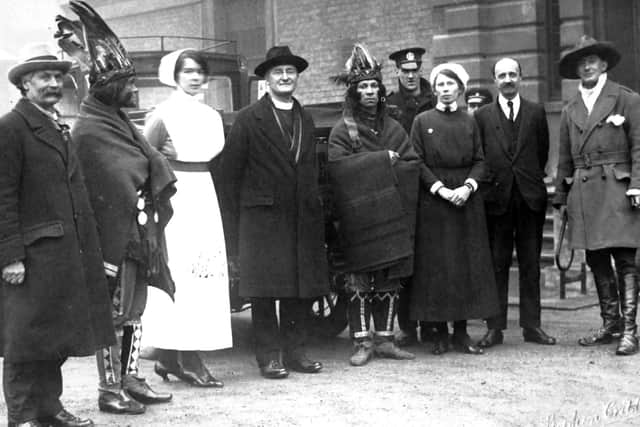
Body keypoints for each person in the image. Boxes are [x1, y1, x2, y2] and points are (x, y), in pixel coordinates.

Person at [57, 1, 175, 414]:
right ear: (107, 86)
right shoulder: (89, 130)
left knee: (135, 309)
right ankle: (109, 390)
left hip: (136, 231)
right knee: (114, 313)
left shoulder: (120, 121)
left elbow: (148, 167)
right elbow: (100, 189)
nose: (134, 88)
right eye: (127, 83)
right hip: (112, 238)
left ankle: (130, 377)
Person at [0, 43, 115, 427]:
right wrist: (10, 255)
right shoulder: (11, 128)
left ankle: (50, 408)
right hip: (31, 255)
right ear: (24, 85)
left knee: (53, 336)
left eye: (56, 77)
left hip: (65, 253)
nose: (53, 83)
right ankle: (22, 417)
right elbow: (2, 197)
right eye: (43, 78)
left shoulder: (56, 125)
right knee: (24, 341)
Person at [218, 46, 329, 379]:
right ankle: (268, 356)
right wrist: (235, 226)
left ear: (297, 78)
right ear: (266, 79)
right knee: (264, 292)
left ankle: (296, 353)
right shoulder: (249, 119)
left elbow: (309, 169)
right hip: (262, 219)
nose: (285, 77)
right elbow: (229, 175)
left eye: (290, 72)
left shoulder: (304, 117)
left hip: (300, 218)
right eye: (278, 72)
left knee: (298, 288)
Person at [141, 48, 232, 387]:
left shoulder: (211, 115)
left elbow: (214, 152)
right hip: (174, 196)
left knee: (204, 271)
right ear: (174, 75)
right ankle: (187, 358)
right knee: (179, 273)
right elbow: (143, 158)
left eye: (199, 71)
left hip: (203, 192)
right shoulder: (162, 114)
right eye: (188, 71)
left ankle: (170, 358)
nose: (194, 77)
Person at [327, 43, 419, 366]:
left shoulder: (393, 127)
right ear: (353, 92)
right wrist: (382, 161)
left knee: (389, 280)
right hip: (359, 220)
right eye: (362, 86)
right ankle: (362, 343)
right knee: (359, 282)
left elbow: (410, 162)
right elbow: (338, 168)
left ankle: (385, 340)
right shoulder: (343, 130)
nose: (368, 92)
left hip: (391, 219)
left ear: (381, 91)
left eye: (373, 86)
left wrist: (393, 163)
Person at [554, 36, 640, 356]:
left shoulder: (626, 99)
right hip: (584, 190)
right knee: (596, 258)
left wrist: (637, 185)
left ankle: (630, 331)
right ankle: (611, 324)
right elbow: (564, 157)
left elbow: (639, 146)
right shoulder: (570, 109)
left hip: (618, 187)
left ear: (604, 64)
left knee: (626, 260)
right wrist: (560, 197)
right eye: (581, 62)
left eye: (592, 60)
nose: (587, 65)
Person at [409, 63, 499, 356]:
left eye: (451, 85)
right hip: (435, 202)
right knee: (437, 267)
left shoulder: (469, 120)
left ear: (460, 89)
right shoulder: (422, 121)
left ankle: (461, 333)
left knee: (464, 266)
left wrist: (468, 187)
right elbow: (417, 161)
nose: (446, 90)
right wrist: (441, 190)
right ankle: (438, 333)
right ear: (434, 89)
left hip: (465, 201)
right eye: (441, 85)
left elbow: (480, 159)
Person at [474, 58, 556, 348]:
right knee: (497, 264)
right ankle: (495, 328)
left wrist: (528, 180)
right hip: (496, 200)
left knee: (530, 263)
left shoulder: (535, 112)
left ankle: (532, 326)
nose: (507, 80)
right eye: (501, 75)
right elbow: (480, 156)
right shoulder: (482, 115)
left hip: (529, 199)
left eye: (512, 74)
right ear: (494, 80)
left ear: (521, 77)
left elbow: (542, 152)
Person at [385, 47, 436, 347]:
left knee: (430, 258)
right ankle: (406, 325)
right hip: (403, 187)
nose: (410, 75)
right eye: (405, 71)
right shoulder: (391, 104)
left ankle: (431, 322)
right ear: (398, 73)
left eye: (414, 70)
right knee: (405, 257)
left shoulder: (433, 99)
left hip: (431, 186)